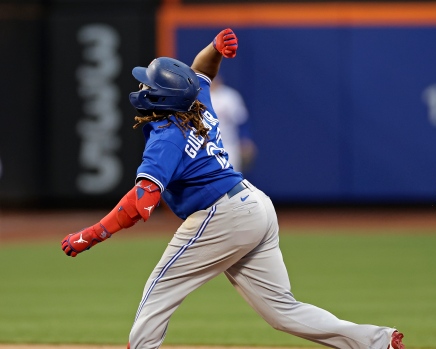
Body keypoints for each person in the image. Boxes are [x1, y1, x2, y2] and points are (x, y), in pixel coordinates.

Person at [61, 28, 405, 349]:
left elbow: (142, 202)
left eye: (150, 86)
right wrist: (214, 50)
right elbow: (202, 71)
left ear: (160, 100)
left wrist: (94, 233)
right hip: (255, 206)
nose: (144, 90)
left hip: (222, 215)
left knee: (159, 290)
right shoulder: (197, 104)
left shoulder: (166, 135)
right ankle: (376, 341)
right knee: (282, 311)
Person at [210, 76, 257, 172]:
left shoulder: (229, 96)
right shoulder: (196, 96)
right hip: (202, 146)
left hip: (228, 145)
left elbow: (242, 121)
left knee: (230, 178)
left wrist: (245, 139)